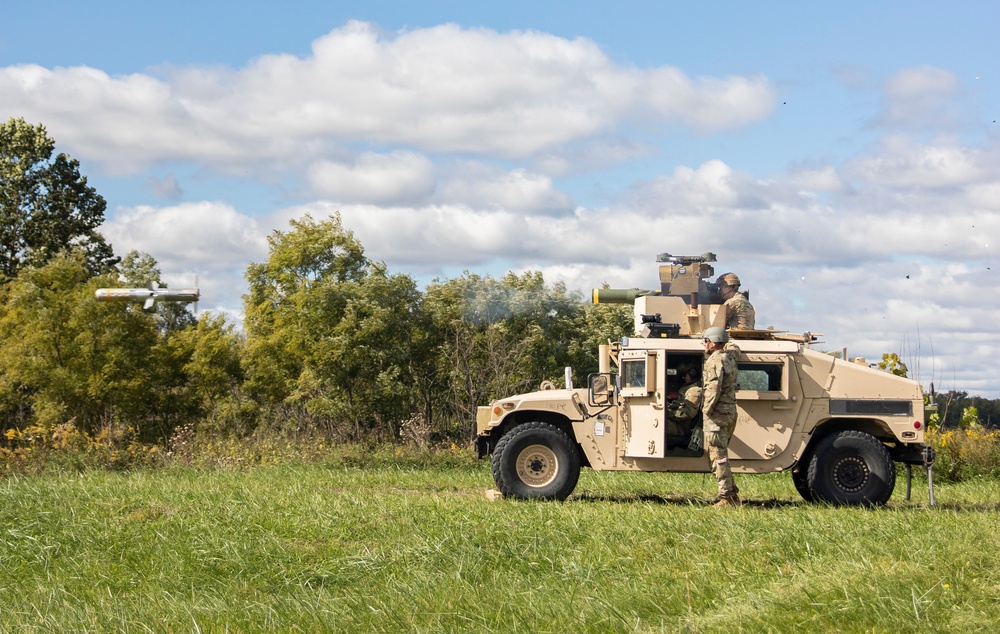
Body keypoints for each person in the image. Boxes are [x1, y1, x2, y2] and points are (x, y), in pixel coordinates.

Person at [701, 326, 741, 507]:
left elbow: (713, 389)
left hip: (718, 414)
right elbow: (735, 348)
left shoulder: (715, 361)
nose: (704, 344)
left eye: (706, 340)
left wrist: (705, 411)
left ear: (713, 341)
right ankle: (732, 494)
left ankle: (726, 497)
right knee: (721, 452)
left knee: (717, 455)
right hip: (730, 411)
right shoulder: (730, 356)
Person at [665, 365, 703, 450]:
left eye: (684, 375)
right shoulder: (688, 389)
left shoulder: (694, 391)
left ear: (693, 374)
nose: (683, 377)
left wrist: (667, 412)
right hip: (681, 423)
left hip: (684, 427)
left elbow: (687, 414)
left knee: (661, 423)